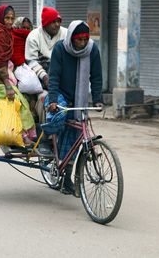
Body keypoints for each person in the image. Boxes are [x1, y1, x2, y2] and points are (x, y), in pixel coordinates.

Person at [46, 20, 104, 194]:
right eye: (79, 40)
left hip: (79, 99)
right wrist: (54, 100)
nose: (82, 43)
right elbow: (54, 76)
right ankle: (47, 140)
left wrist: (98, 99)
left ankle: (67, 176)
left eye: (85, 39)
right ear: (71, 38)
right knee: (59, 118)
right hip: (60, 95)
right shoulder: (60, 49)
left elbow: (96, 77)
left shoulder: (92, 50)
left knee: (76, 135)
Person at [0, 5, 36, 145]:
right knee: (19, 102)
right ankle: (23, 133)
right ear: (1, 17)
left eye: (12, 19)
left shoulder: (2, 30)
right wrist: (8, 86)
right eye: (7, 18)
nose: (9, 21)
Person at [25, 7, 67, 122]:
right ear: (45, 23)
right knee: (44, 100)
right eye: (53, 22)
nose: (57, 25)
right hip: (41, 82)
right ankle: (47, 134)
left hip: (63, 79)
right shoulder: (34, 36)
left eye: (58, 21)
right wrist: (44, 76)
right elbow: (31, 61)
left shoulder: (66, 34)